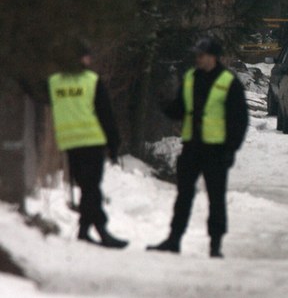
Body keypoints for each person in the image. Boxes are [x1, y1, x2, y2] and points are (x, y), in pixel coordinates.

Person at [148, 37, 249, 258]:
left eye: (201, 55)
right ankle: (174, 240)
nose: (198, 58)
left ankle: (215, 245)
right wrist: (165, 104)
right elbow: (180, 110)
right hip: (192, 147)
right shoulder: (190, 78)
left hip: (216, 150)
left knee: (216, 198)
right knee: (183, 195)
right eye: (197, 55)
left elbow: (239, 119)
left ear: (213, 57)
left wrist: (231, 148)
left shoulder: (228, 81)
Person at [47, 41, 128, 249]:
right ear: (81, 59)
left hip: (70, 143)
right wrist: (113, 143)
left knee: (87, 187)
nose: (89, 60)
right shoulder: (91, 81)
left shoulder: (54, 82)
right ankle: (101, 229)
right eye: (86, 56)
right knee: (91, 188)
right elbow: (106, 114)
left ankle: (84, 230)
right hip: (92, 141)